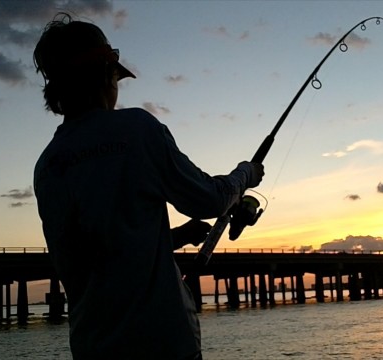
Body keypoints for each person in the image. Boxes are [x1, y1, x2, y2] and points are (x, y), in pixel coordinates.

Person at [33, 13, 264, 360]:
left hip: (93, 347)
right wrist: (246, 174)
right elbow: (212, 199)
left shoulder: (48, 165)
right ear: (105, 75)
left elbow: (101, 253)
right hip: (163, 344)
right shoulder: (136, 130)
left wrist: (180, 237)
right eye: (115, 76)